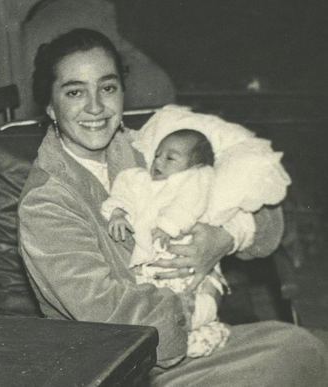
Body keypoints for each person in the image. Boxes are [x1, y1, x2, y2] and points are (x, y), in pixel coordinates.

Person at [17, 28, 327, 386]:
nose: (95, 106)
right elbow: (112, 314)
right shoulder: (46, 202)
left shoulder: (143, 147)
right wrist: (199, 303)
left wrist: (224, 238)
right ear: (51, 107)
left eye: (107, 87)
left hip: (183, 344)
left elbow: (267, 218)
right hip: (118, 363)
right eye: (74, 92)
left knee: (304, 347)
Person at [102, 128, 231, 358]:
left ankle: (203, 321)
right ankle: (186, 338)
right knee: (157, 298)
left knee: (192, 295)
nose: (158, 161)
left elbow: (191, 203)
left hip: (182, 248)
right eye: (158, 155)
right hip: (151, 261)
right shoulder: (141, 180)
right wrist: (118, 213)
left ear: (195, 166)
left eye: (170, 158)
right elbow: (123, 193)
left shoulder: (196, 178)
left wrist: (168, 226)